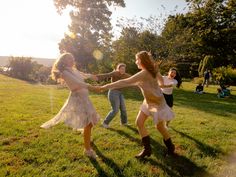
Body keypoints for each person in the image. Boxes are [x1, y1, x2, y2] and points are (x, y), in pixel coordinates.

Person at [93, 51, 175, 158]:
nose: (136, 62)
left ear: (142, 60)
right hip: (148, 102)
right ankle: (147, 149)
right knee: (139, 123)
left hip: (157, 103)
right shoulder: (153, 70)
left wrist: (104, 87)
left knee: (160, 127)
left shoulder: (144, 73)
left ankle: (170, 148)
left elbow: (124, 82)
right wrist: (164, 86)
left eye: (137, 59)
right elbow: (161, 83)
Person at [40, 53, 100, 159]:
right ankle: (87, 150)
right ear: (63, 61)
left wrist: (92, 76)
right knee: (89, 122)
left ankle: (86, 137)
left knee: (91, 121)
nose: (72, 60)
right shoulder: (64, 73)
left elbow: (83, 75)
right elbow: (78, 83)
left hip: (85, 98)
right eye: (69, 59)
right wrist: (92, 87)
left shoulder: (73, 70)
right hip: (78, 99)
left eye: (73, 58)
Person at [96, 63, 130, 128]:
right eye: (121, 69)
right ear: (118, 69)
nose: (123, 70)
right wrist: (96, 76)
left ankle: (124, 122)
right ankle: (105, 123)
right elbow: (106, 75)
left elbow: (133, 77)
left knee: (123, 109)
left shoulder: (125, 75)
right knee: (115, 110)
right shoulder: (115, 73)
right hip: (113, 93)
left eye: (124, 69)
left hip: (120, 93)